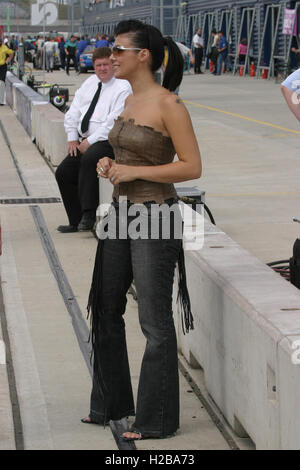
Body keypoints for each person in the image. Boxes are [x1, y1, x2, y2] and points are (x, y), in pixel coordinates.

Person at [81, 19, 202, 441]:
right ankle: (110, 404)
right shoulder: (129, 101)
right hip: (119, 212)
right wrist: (109, 165)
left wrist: (133, 170)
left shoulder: (170, 104)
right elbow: (122, 152)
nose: (111, 56)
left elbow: (192, 166)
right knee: (106, 307)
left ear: (142, 56)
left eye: (118, 50)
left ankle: (157, 419)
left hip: (155, 213)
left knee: (153, 320)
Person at [55, 46, 131, 233]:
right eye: (98, 65)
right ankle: (75, 219)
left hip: (108, 141)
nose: (102, 69)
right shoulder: (89, 83)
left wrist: (90, 142)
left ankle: (89, 213)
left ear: (113, 65)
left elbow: (114, 120)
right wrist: (72, 138)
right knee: (63, 172)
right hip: (84, 140)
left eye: (106, 64)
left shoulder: (123, 87)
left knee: (90, 159)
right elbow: (72, 112)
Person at [0, 37, 14, 106]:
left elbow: (11, 53)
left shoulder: (4, 47)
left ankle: (1, 101)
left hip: (2, 67)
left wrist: (7, 61)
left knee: (1, 83)